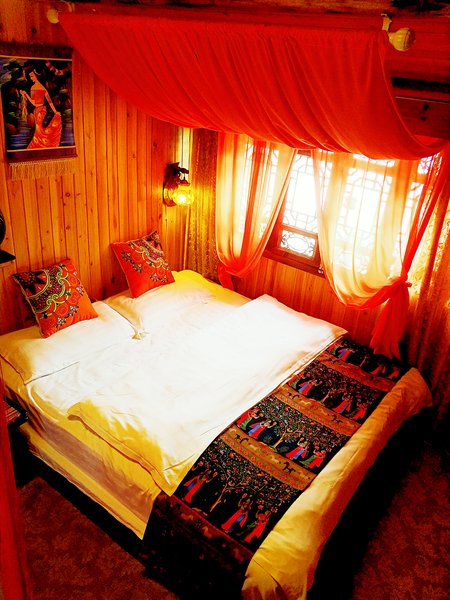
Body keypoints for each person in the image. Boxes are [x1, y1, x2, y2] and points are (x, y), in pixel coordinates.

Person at [20, 69, 62, 149]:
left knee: (39, 129)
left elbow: (34, 103)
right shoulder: (43, 87)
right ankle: (39, 144)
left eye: (32, 76)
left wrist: (26, 94)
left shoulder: (33, 87)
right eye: (30, 77)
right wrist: (55, 112)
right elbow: (50, 101)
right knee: (39, 129)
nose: (31, 78)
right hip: (42, 110)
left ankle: (39, 145)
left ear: (36, 76)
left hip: (38, 111)